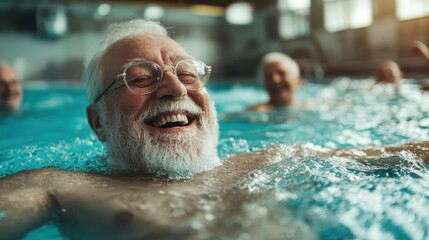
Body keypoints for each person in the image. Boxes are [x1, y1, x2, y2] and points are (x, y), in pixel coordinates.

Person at [0, 19, 428, 240]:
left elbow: (412, 153)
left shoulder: (271, 159)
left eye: (187, 74)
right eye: (141, 77)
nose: (173, 88)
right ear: (98, 123)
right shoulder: (62, 188)